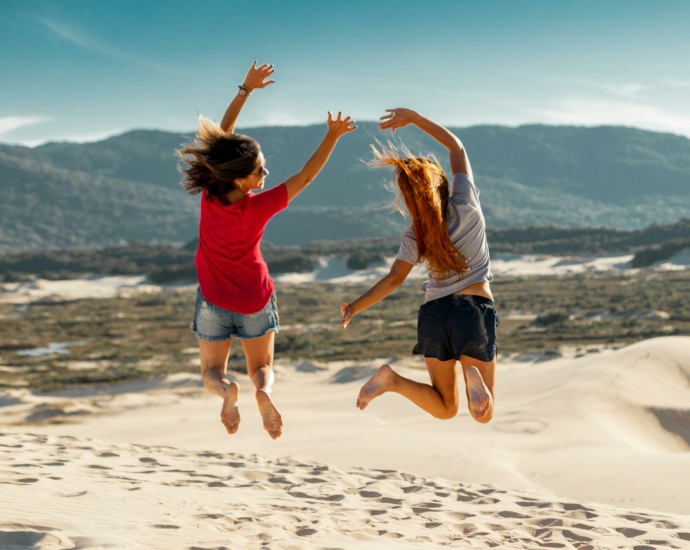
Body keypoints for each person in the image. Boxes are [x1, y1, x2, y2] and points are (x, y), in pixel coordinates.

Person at [178, 61, 356, 439]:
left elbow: (220, 139)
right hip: (255, 299)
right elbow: (306, 176)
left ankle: (228, 391)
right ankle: (262, 392)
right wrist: (333, 137)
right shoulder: (258, 205)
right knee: (262, 367)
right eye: (260, 171)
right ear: (241, 180)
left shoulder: (211, 194)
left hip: (213, 300)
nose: (266, 176)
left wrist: (245, 89)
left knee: (211, 371)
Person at [340, 108, 498, 424]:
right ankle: (472, 375)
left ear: (411, 199)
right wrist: (415, 119)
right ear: (441, 183)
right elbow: (456, 147)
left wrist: (354, 307)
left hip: (434, 315)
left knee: (445, 408)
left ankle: (392, 380)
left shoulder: (416, 231)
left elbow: (394, 279)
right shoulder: (465, 202)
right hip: (473, 311)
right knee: (482, 415)